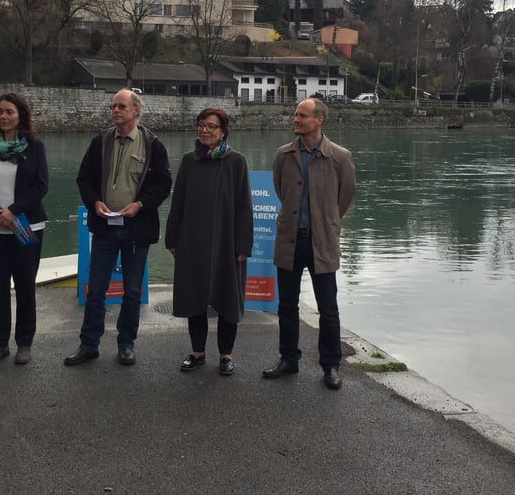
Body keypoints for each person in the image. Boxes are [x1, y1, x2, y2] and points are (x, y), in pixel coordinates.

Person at [65, 89, 171, 367]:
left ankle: (126, 343)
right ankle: (89, 345)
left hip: (137, 229)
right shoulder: (100, 142)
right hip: (105, 228)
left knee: (132, 291)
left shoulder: (153, 145)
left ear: (136, 111)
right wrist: (94, 202)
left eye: (121, 106)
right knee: (96, 289)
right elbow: (83, 178)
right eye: (113, 106)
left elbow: (163, 185)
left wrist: (141, 205)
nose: (115, 111)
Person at [263, 97, 356, 390]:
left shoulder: (339, 156)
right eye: (295, 115)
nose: (296, 120)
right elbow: (281, 190)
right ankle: (288, 359)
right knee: (286, 305)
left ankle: (331, 365)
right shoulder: (283, 155)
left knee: (328, 308)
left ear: (319, 120)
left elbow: (346, 195)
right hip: (290, 240)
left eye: (302, 116)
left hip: (322, 242)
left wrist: (327, 221)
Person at [166, 108, 253, 376]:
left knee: (228, 300)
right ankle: (197, 352)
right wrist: (172, 238)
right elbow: (177, 201)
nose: (205, 130)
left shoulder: (237, 161)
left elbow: (243, 207)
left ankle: (226, 355)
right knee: (195, 298)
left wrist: (243, 246)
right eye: (201, 125)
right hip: (192, 241)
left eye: (211, 127)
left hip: (227, 244)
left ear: (223, 131)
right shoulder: (189, 161)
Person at [0, 92, 48, 366]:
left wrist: (14, 211)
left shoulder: (35, 147)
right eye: (0, 112)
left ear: (21, 116)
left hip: (28, 226)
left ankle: (24, 343)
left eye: (9, 112)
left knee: (26, 286)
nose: (3, 116)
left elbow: (41, 185)